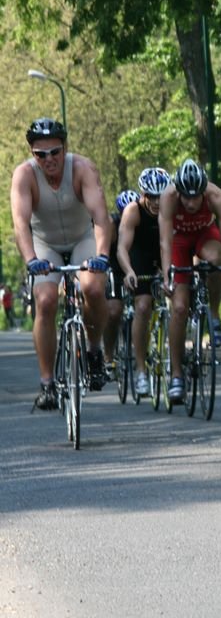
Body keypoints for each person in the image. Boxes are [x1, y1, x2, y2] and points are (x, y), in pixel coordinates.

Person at [10, 117, 111, 409]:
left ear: (64, 148)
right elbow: (20, 224)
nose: (49, 159)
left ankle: (94, 350)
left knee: (92, 289)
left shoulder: (82, 169)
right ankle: (47, 384)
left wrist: (102, 256)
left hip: (83, 239)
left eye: (55, 152)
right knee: (44, 300)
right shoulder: (24, 176)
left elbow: (101, 217)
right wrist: (31, 260)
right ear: (32, 154)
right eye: (41, 154)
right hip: (45, 244)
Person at [159, 159, 221, 403]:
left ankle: (213, 315)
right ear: (178, 191)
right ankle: (176, 375)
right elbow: (164, 240)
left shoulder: (217, 196)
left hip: (206, 234)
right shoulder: (169, 197)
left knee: (216, 259)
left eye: (196, 197)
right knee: (180, 307)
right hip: (179, 240)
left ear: (204, 191)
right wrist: (167, 275)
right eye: (187, 197)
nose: (192, 202)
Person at [117, 169, 171, 396]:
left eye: (162, 196)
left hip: (164, 252)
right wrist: (129, 271)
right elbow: (121, 248)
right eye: (152, 196)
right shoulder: (133, 211)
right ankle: (140, 370)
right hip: (140, 257)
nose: (158, 202)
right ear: (143, 194)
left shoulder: (172, 205)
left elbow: (172, 242)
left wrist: (169, 275)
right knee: (142, 306)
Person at [103, 189, 140, 379]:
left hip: (137, 266)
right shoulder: (112, 223)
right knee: (114, 311)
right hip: (115, 269)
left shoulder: (142, 219)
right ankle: (108, 355)